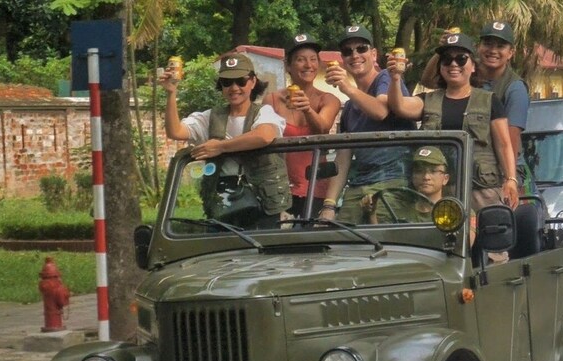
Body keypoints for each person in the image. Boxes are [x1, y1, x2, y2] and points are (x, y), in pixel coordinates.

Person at [386, 32, 519, 212]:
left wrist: (511, 179)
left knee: (487, 236)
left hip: (481, 189)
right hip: (437, 192)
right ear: (440, 67)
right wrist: (395, 78)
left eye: (461, 59)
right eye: (447, 60)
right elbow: (399, 106)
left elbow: (504, 145)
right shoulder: (428, 100)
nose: (454, 64)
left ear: (473, 66)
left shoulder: (490, 100)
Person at [161, 52, 290, 229]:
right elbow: (175, 131)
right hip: (222, 201)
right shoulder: (209, 117)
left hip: (263, 202)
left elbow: (264, 135)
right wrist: (171, 93)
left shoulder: (264, 112)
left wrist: (220, 147)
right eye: (227, 82)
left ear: (252, 82)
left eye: (241, 81)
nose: (234, 87)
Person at [318, 24, 416, 223]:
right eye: (347, 51)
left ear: (373, 54)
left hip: (393, 182)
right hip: (358, 186)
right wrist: (329, 205)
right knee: (339, 242)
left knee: (383, 244)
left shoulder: (386, 78)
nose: (355, 55)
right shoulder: (349, 110)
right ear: (342, 60)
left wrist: (345, 86)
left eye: (361, 48)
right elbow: (343, 157)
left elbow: (380, 111)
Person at [263, 33, 341, 219]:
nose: (308, 65)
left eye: (313, 59)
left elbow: (322, 128)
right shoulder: (272, 99)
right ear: (288, 66)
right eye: (300, 60)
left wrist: (307, 109)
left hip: (316, 187)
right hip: (280, 187)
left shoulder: (328, 99)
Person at [360, 145, 477, 245]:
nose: (426, 177)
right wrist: (371, 213)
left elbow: (463, 248)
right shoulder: (396, 209)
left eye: (433, 171)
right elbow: (382, 244)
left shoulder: (457, 212)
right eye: (419, 171)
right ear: (412, 176)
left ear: (445, 179)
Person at [475, 21, 539, 202]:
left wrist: (508, 178)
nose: (493, 50)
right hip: (475, 164)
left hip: (504, 167)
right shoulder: (469, 75)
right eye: (487, 44)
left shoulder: (515, 88)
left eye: (501, 46)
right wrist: (446, 49)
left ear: (510, 53)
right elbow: (431, 80)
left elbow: (509, 141)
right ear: (478, 47)